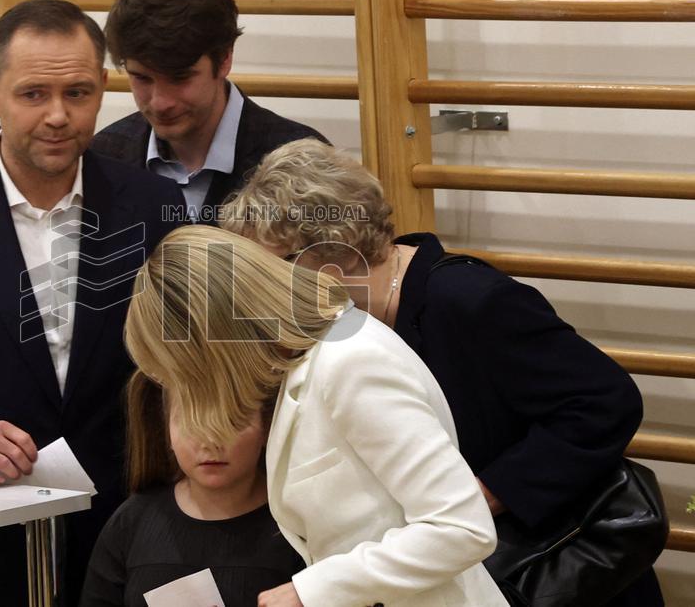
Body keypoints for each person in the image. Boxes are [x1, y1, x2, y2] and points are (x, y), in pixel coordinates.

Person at [220, 137, 661, 606]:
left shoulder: (469, 300)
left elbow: (605, 402)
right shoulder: (348, 323)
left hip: (557, 566)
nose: (268, 288)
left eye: (276, 267)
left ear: (333, 247)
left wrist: (485, 493)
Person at [0, 0, 184, 607]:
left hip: (131, 528)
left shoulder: (155, 206)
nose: (59, 116)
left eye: (79, 92)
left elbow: (189, 366)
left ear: (104, 89)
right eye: (33, 94)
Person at [122, 225, 507, 607]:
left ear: (218, 338)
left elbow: (462, 528)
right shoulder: (310, 358)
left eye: (192, 368)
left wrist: (312, 591)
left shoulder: (351, 360)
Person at [89, 0, 328, 224]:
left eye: (179, 77)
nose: (160, 102)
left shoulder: (306, 164)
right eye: (141, 78)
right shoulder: (102, 158)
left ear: (224, 59)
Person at [79, 373, 305, 605]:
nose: (210, 441)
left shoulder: (297, 527)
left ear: (266, 425)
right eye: (191, 421)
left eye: (231, 420)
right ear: (166, 427)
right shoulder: (131, 522)